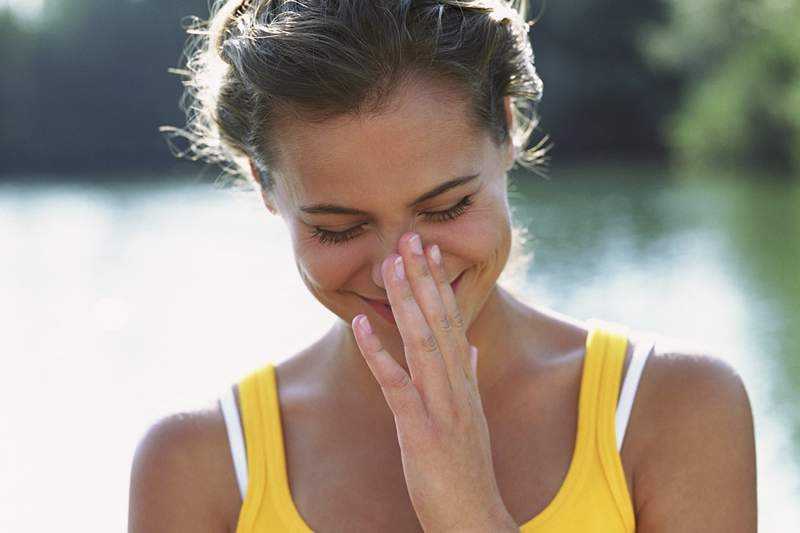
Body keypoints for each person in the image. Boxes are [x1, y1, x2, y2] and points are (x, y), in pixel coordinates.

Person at [129, 1, 757, 531]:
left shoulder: (672, 410)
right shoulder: (198, 465)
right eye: (338, 227)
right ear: (264, 185)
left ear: (507, 130)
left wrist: (469, 510)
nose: (402, 273)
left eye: (449, 207)